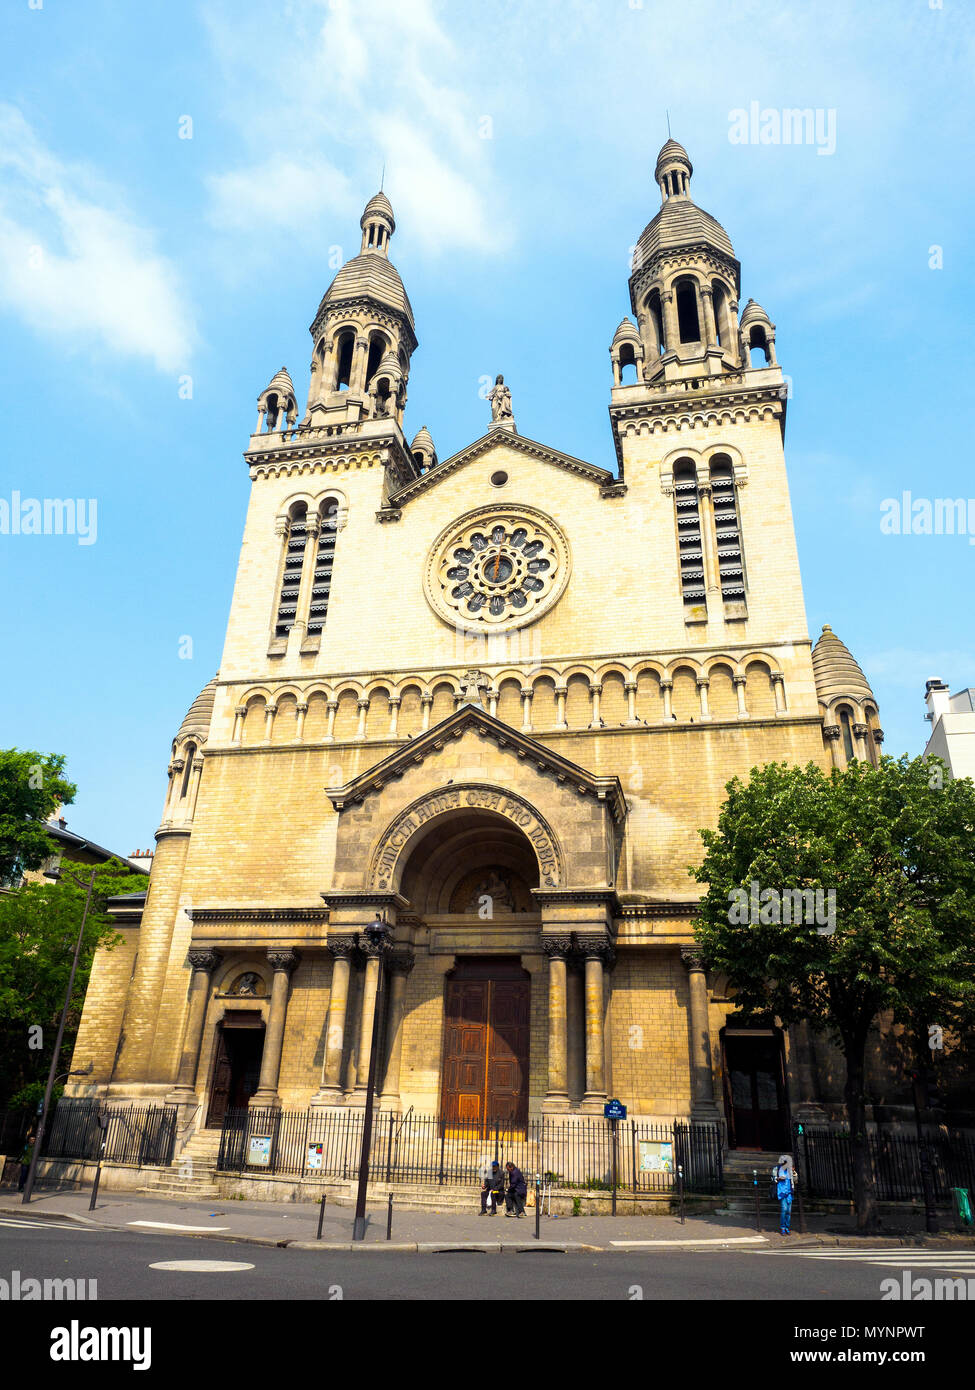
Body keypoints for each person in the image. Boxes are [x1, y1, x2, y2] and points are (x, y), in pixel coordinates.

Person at [772, 1153, 797, 1235]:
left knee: (789, 1211)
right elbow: (773, 1178)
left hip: (789, 1192)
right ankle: (783, 1227)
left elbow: (796, 1180)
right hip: (781, 1191)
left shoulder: (790, 1170)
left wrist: (793, 1172)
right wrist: (778, 1178)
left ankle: (787, 1227)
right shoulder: (777, 1169)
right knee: (784, 1209)